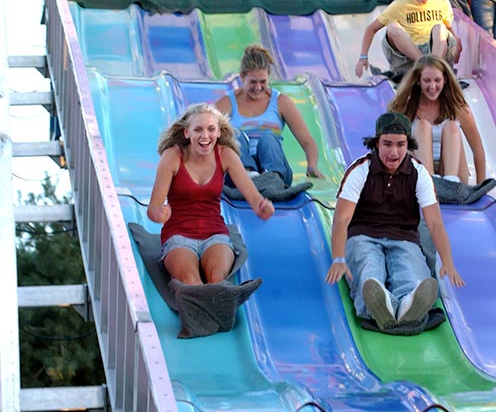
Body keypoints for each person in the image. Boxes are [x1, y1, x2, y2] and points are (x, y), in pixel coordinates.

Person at [324, 112, 465, 331]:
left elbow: (435, 222)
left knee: (411, 270)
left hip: (404, 237)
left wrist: (447, 261)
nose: (394, 152)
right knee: (368, 267)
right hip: (363, 234)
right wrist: (338, 257)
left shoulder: (418, 173)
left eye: (400, 144)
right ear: (376, 144)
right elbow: (342, 219)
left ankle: (407, 304)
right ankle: (378, 306)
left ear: (408, 144)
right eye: (387, 144)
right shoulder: (361, 170)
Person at [147, 103, 275, 286]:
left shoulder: (226, 155)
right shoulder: (173, 156)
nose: (205, 136)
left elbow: (254, 198)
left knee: (217, 279)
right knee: (191, 281)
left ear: (218, 133)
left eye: (211, 129)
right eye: (198, 130)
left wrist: (262, 206)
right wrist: (158, 213)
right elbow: (153, 207)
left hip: (214, 235)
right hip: (178, 235)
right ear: (187, 133)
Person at [214, 44, 323, 188]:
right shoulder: (228, 102)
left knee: (268, 137)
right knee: (234, 134)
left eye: (263, 82)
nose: (258, 87)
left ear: (269, 78)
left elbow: (308, 142)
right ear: (242, 77)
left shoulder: (280, 102)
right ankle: (247, 174)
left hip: (274, 166)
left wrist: (312, 166)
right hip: (237, 169)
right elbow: (203, 130)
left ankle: (273, 178)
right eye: (253, 82)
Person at [387, 55, 486, 184]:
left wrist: (481, 186)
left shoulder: (458, 108)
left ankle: (451, 182)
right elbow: (389, 145)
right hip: (419, 170)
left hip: (453, 169)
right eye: (427, 80)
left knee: (451, 126)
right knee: (422, 126)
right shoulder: (406, 107)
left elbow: (477, 148)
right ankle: (430, 181)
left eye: (437, 80)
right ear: (418, 81)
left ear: (445, 80)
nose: (432, 86)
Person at [355, 0, 461, 79]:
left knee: (440, 28)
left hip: (435, 52)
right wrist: (363, 57)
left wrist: (457, 43)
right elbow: (371, 29)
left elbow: (448, 29)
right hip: (409, 56)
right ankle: (426, 66)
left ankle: (433, 67)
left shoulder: (442, 3)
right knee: (392, 28)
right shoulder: (400, 5)